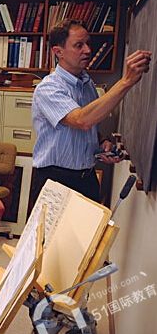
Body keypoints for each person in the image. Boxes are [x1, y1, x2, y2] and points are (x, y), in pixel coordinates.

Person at [31, 19, 151, 204]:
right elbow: (81, 120)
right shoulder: (48, 88)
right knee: (54, 234)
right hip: (56, 180)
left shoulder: (87, 84)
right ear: (58, 52)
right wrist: (126, 81)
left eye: (88, 43)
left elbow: (89, 126)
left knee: (88, 233)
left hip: (86, 178)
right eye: (79, 45)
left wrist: (100, 142)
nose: (87, 50)